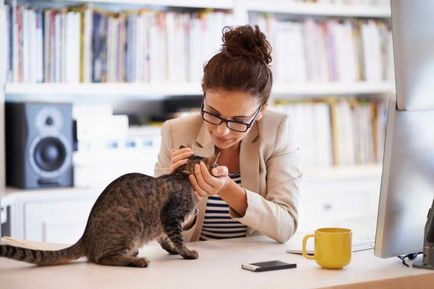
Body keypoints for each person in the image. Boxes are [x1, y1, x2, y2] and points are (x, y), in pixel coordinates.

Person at [154, 25, 301, 243]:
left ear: (261, 111)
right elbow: (160, 235)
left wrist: (227, 189)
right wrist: (181, 199)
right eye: (213, 114)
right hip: (194, 267)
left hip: (253, 266)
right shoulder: (176, 132)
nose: (222, 130)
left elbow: (286, 225)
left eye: (239, 121)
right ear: (204, 92)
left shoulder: (277, 130)